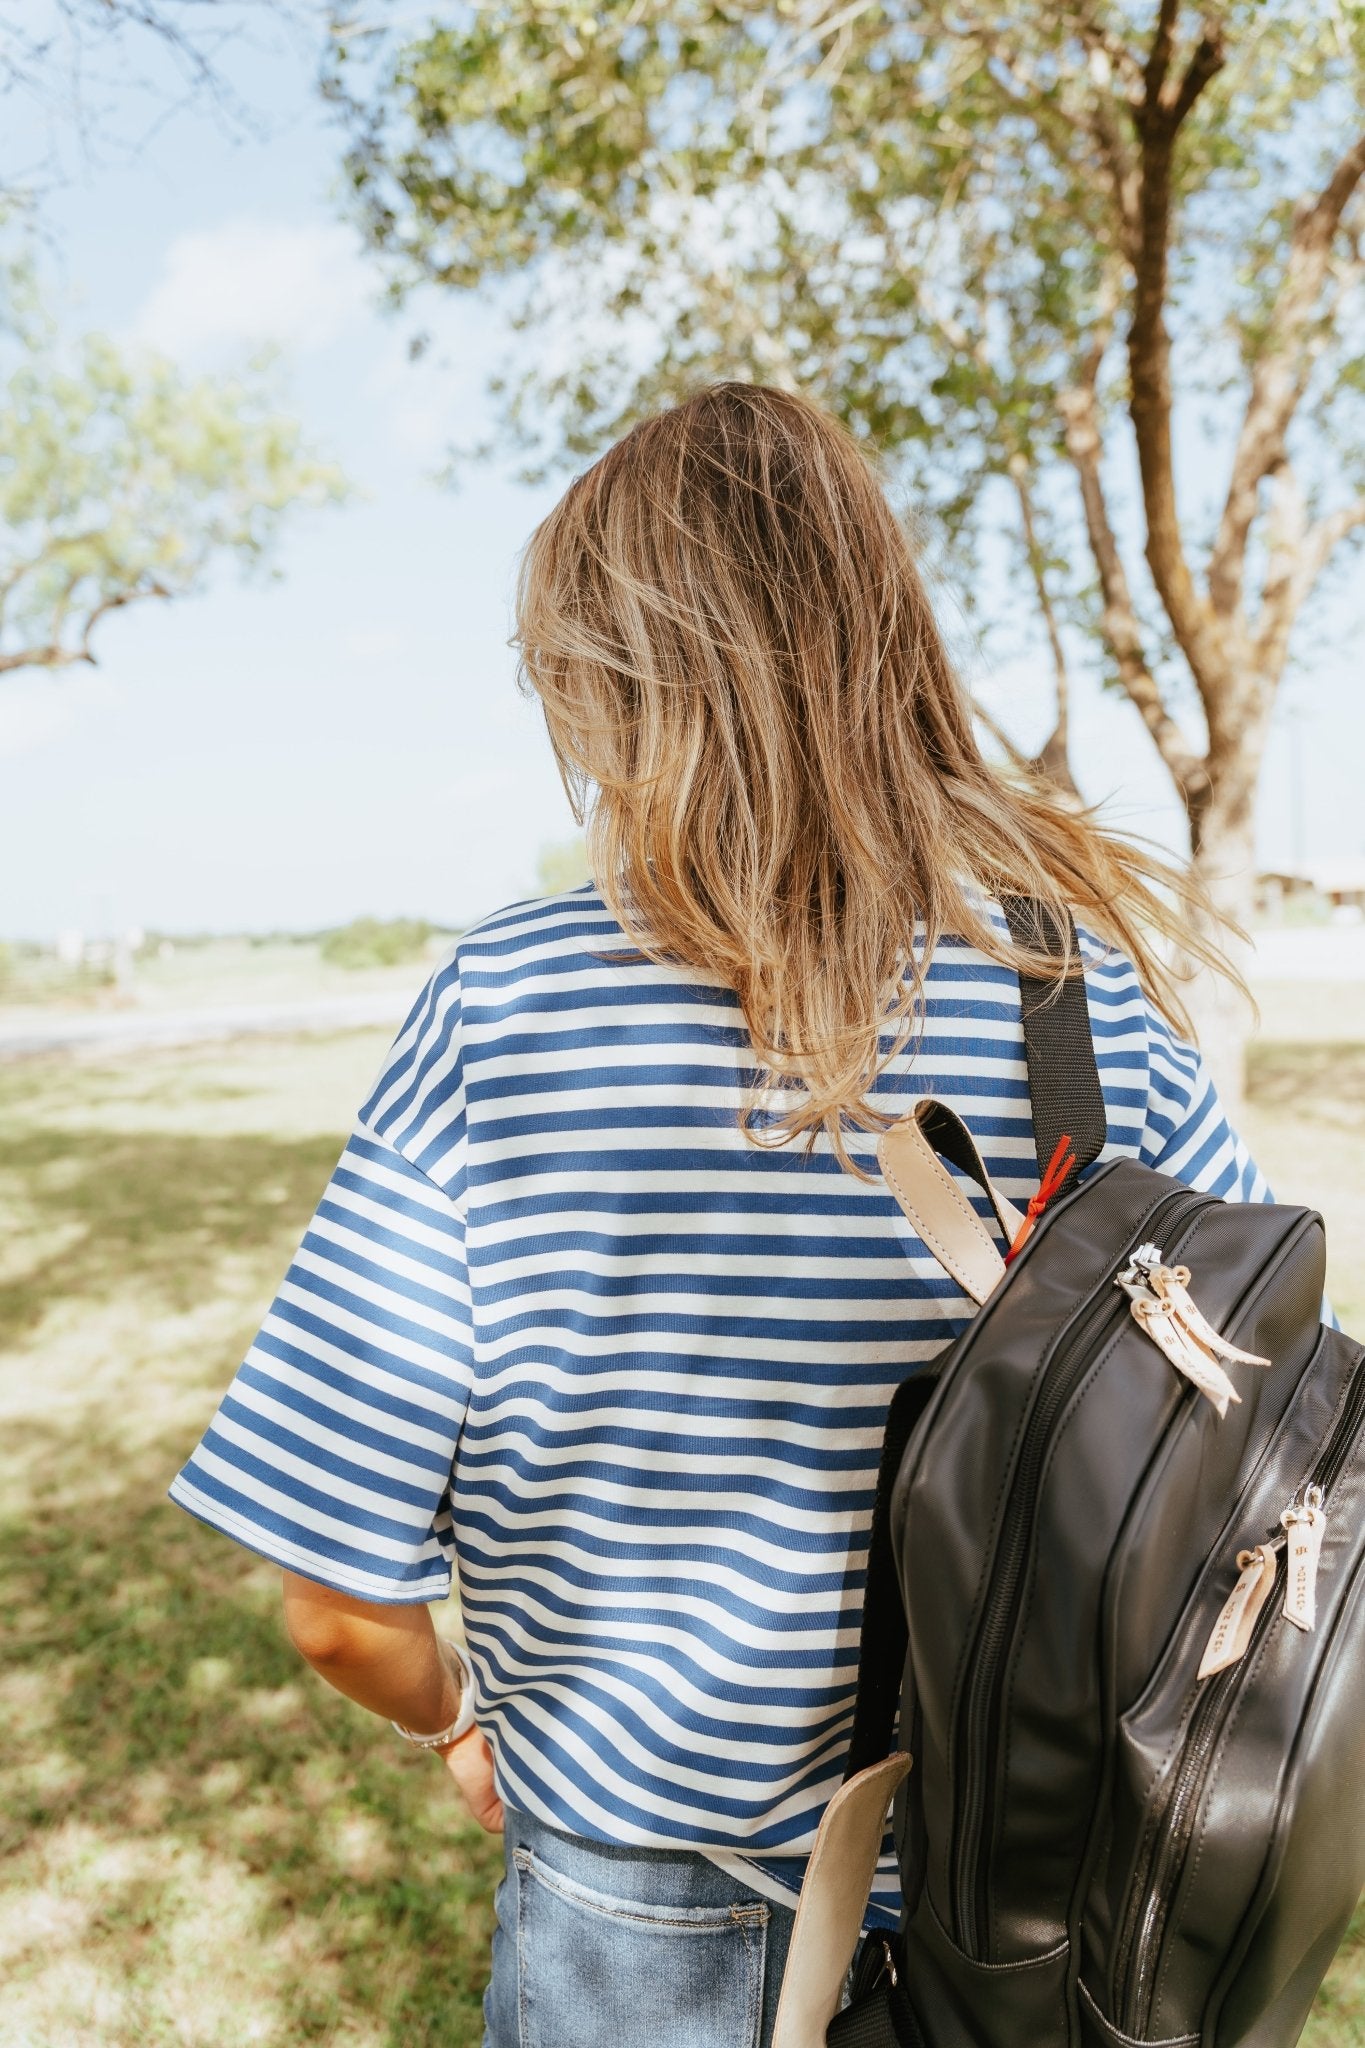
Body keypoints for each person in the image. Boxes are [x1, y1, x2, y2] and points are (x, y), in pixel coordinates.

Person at [170, 383, 1265, 2048]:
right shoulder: (1074, 995)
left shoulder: (510, 1006)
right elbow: (1260, 1447)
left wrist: (459, 1718)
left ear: (614, 686)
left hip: (638, 1912)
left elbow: (337, 1606)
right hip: (1034, 1905)